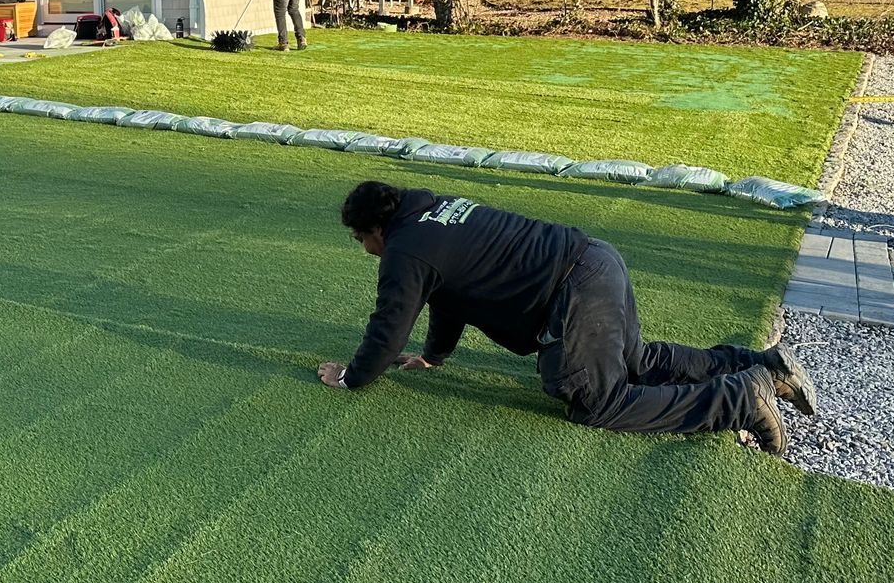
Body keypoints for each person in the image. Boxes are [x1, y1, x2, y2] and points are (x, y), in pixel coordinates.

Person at [317, 180, 817, 455]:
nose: (364, 250)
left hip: (576, 290)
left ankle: (739, 399)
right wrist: (432, 358)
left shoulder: (405, 251)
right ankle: (764, 366)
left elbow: (388, 327)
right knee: (636, 360)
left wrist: (352, 377)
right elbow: (448, 296)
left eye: (359, 239)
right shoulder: (435, 211)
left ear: (375, 228)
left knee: (596, 402)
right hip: (597, 257)